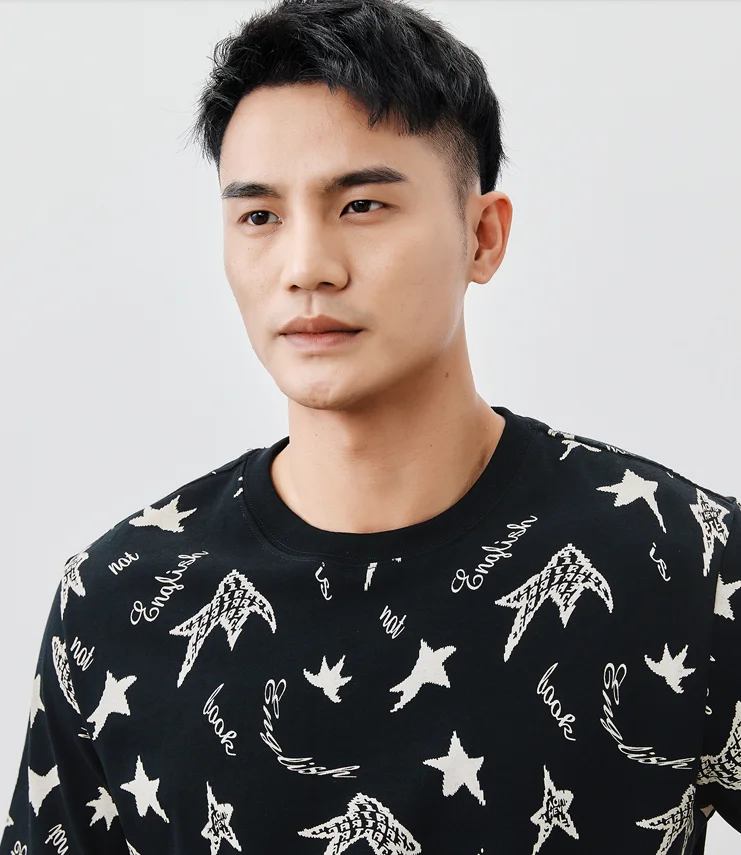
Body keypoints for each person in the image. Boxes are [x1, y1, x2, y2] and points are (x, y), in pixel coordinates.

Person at [2, 0, 739, 852]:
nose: (306, 267)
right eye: (259, 216)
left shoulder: (687, 560)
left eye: (360, 205)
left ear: (482, 236)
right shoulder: (117, 603)